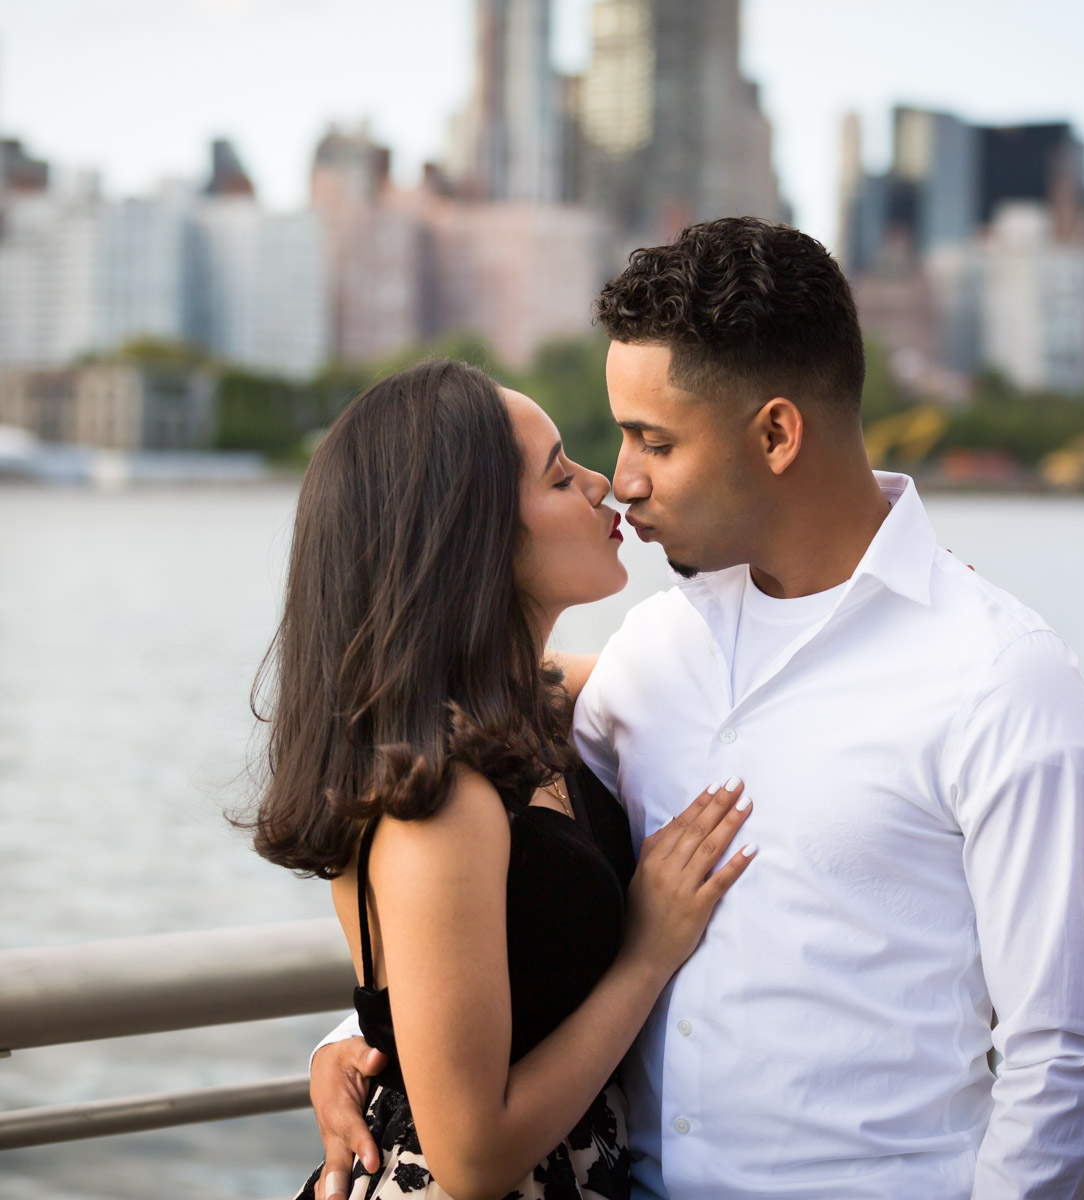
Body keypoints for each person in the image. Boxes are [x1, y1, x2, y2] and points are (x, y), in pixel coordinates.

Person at [310, 218, 1084, 1199]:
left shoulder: (1000, 679)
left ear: (778, 433)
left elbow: (1067, 1066)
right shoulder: (655, 653)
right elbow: (477, 842)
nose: (622, 479)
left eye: (654, 440)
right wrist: (366, 1037)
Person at [246, 359, 759, 1200]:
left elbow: (722, 671)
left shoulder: (531, 706)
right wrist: (646, 951)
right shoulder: (440, 805)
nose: (605, 485)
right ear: (471, 537)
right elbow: (473, 1159)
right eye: (561, 475)